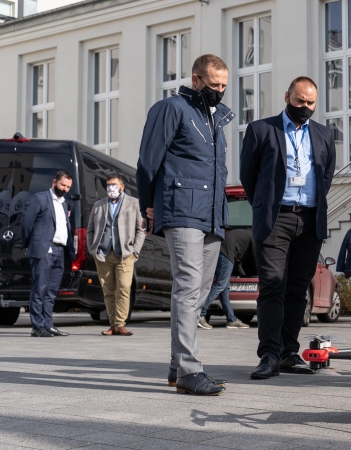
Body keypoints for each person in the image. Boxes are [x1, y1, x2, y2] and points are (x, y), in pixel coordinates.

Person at [136, 54, 234, 396]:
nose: (219, 91)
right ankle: (191, 371)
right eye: (213, 84)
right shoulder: (171, 109)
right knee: (188, 286)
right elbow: (148, 163)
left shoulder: (216, 119)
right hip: (181, 210)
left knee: (202, 292)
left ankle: (178, 367)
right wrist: (148, 206)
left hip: (211, 214)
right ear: (196, 80)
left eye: (224, 85)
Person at [240, 76, 336, 380]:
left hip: (309, 221)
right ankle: (268, 354)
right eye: (299, 101)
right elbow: (249, 176)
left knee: (297, 289)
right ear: (287, 97)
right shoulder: (261, 130)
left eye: (311, 103)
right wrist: (266, 205)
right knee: (272, 286)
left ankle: (288, 352)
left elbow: (327, 176)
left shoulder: (324, 134)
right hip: (275, 219)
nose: (305, 107)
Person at [86, 172, 145, 336]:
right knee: (108, 290)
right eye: (108, 185)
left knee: (124, 287)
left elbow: (141, 230)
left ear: (122, 187)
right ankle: (113, 325)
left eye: (114, 185)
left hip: (125, 254)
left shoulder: (134, 204)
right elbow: (90, 229)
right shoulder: (99, 205)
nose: (111, 188)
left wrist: (135, 251)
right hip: (103, 254)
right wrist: (93, 249)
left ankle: (120, 323)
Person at [20, 171, 74, 338]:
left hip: (60, 250)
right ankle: (37, 327)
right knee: (40, 289)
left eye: (68, 187)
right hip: (43, 249)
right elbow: (26, 223)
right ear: (54, 182)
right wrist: (28, 244)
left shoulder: (65, 204)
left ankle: (48, 325)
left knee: (51, 291)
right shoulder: (40, 198)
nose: (65, 189)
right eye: (62, 185)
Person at [197, 228, 254, 330]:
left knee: (224, 287)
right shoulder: (254, 237)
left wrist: (244, 276)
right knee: (221, 284)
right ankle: (200, 314)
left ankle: (231, 320)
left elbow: (237, 261)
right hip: (226, 252)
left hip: (220, 250)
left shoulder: (244, 234)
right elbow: (257, 258)